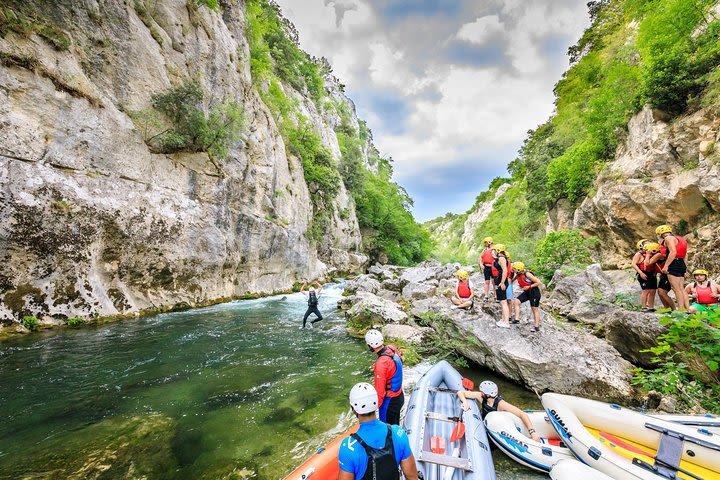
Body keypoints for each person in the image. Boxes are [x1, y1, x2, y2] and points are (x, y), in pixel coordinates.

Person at [338, 382, 419, 480]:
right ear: (376, 403)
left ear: (353, 409)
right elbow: (412, 476)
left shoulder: (348, 447)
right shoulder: (398, 433)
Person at [458, 380, 541, 442]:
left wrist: (532, 432)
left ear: (488, 395)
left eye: (482, 392)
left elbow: (522, 414)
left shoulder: (501, 404)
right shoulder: (481, 396)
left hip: (495, 430)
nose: (481, 393)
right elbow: (461, 392)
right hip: (484, 424)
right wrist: (465, 402)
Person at [364, 330, 404, 425]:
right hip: (399, 396)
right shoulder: (391, 348)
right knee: (395, 424)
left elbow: (380, 392)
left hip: (389, 403)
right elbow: (400, 361)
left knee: (387, 428)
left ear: (370, 346)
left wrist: (371, 411)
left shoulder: (381, 364)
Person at [657, 224, 690, 311]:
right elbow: (685, 255)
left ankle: (681, 309)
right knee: (681, 288)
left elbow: (673, 252)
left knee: (676, 289)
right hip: (681, 264)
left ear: (660, 234)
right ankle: (688, 309)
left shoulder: (668, 238)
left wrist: (666, 266)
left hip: (673, 263)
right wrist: (685, 268)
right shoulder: (681, 239)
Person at [512, 262, 543, 332]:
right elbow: (512, 281)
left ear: (519, 270)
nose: (513, 269)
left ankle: (536, 327)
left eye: (514, 268)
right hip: (527, 292)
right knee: (516, 301)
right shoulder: (517, 275)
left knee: (534, 309)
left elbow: (538, 282)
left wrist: (529, 287)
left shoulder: (527, 274)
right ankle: (516, 319)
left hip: (534, 292)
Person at [644, 242, 675, 310]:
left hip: (667, 274)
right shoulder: (658, 254)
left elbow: (647, 263)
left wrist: (647, 255)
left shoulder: (658, 254)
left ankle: (673, 309)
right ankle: (667, 308)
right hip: (663, 275)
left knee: (662, 292)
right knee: (660, 293)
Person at [632, 239, 657, 312]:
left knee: (653, 291)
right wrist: (641, 273)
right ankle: (644, 307)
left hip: (652, 273)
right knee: (646, 290)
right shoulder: (639, 254)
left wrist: (655, 272)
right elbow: (633, 264)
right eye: (646, 244)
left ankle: (651, 307)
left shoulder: (652, 254)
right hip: (643, 273)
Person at [492, 244, 511, 328]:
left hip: (501, 281)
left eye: (495, 250)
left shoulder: (502, 258)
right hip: (499, 280)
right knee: (501, 301)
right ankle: (503, 319)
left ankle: (506, 322)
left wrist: (502, 282)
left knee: (503, 301)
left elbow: (505, 271)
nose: (494, 251)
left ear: (498, 251)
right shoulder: (500, 258)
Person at [479, 237, 496, 301]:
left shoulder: (495, 249)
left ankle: (495, 296)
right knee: (487, 282)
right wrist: (481, 264)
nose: (485, 243)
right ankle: (486, 296)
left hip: (493, 268)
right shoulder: (485, 249)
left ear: (489, 242)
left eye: (486, 242)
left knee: (494, 282)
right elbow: (481, 257)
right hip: (486, 267)